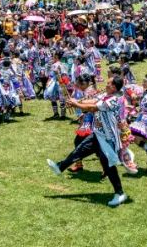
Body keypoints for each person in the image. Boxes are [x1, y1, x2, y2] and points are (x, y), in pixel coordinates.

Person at [47, 75, 129, 208]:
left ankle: (119, 193)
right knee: (80, 149)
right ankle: (60, 167)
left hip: (108, 138)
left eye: (108, 83)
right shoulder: (105, 95)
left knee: (108, 166)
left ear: (114, 87)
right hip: (98, 134)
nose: (106, 85)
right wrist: (75, 101)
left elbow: (93, 108)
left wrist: (76, 104)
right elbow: (91, 102)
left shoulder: (114, 100)